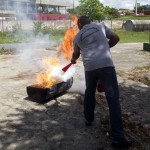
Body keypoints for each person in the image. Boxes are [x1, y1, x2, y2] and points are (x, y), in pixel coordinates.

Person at [71, 16, 132, 149]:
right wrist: (106, 48)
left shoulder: (77, 36)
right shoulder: (100, 26)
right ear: (90, 22)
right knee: (113, 99)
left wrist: (73, 59)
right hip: (106, 65)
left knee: (89, 92)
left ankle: (88, 119)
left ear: (80, 24)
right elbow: (116, 38)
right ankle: (118, 138)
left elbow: (76, 54)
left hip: (90, 68)